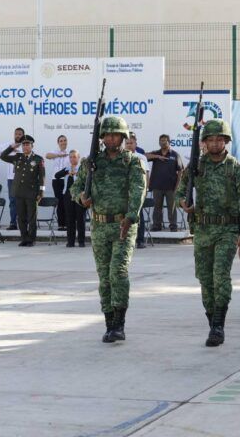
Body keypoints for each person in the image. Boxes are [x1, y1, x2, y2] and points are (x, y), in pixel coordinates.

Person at [177, 119, 240, 347]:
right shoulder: (195, 167)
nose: (214, 143)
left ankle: (218, 325)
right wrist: (185, 203)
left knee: (220, 276)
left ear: (226, 141)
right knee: (205, 279)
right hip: (202, 230)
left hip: (227, 231)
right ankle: (212, 320)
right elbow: (180, 192)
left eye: (219, 139)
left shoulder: (236, 169)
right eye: (210, 139)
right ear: (203, 143)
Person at [71, 117, 146, 343]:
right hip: (100, 225)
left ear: (124, 137)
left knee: (118, 272)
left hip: (123, 224)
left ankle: (119, 323)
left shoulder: (132, 162)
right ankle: (109, 322)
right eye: (108, 135)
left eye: (116, 135)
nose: (112, 139)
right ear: (101, 138)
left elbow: (138, 190)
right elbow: (76, 187)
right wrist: (80, 197)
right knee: (104, 277)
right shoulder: (91, 163)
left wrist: (131, 216)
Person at [0, 135, 45, 246]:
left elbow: (42, 178)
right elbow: (2, 156)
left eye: (27, 144)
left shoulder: (38, 159)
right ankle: (24, 238)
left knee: (31, 218)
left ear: (32, 146)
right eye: (23, 144)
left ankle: (31, 239)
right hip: (19, 192)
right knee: (21, 217)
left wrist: (41, 192)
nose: (25, 146)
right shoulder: (17, 157)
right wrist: (12, 147)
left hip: (31, 193)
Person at [146, 134, 184, 232]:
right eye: (161, 140)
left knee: (172, 207)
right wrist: (157, 156)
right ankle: (157, 226)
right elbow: (144, 156)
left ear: (169, 142)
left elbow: (180, 171)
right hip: (157, 186)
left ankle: (173, 226)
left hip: (171, 187)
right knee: (157, 208)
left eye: (165, 140)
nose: (163, 142)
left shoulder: (174, 155)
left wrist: (177, 187)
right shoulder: (156, 153)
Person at [0, 127, 25, 230]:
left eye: (20, 134)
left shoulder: (25, 145)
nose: (18, 136)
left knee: (23, 201)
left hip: (23, 178)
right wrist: (11, 148)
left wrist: (18, 149)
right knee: (12, 201)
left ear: (23, 135)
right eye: (16, 134)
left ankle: (23, 223)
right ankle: (13, 223)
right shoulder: (10, 144)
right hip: (11, 178)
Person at [55, 150, 86, 247]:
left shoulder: (82, 168)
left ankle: (81, 241)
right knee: (69, 219)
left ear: (78, 158)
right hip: (68, 195)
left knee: (80, 219)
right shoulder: (67, 168)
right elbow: (57, 175)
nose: (72, 159)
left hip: (79, 195)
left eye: (74, 157)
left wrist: (77, 174)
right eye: (71, 157)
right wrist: (67, 172)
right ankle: (70, 241)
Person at [126, 133, 150, 249]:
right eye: (127, 143)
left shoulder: (142, 157)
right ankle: (126, 239)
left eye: (131, 143)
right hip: (124, 193)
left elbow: (146, 175)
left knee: (138, 216)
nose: (129, 145)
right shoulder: (120, 157)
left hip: (137, 193)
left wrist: (145, 191)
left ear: (136, 144)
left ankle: (140, 240)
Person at [46, 135, 70, 231]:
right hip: (56, 180)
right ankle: (61, 224)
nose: (63, 142)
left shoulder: (69, 153)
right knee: (59, 201)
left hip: (66, 180)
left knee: (66, 201)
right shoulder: (55, 152)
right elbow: (47, 155)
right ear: (58, 143)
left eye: (65, 140)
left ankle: (68, 223)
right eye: (61, 141)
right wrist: (59, 155)